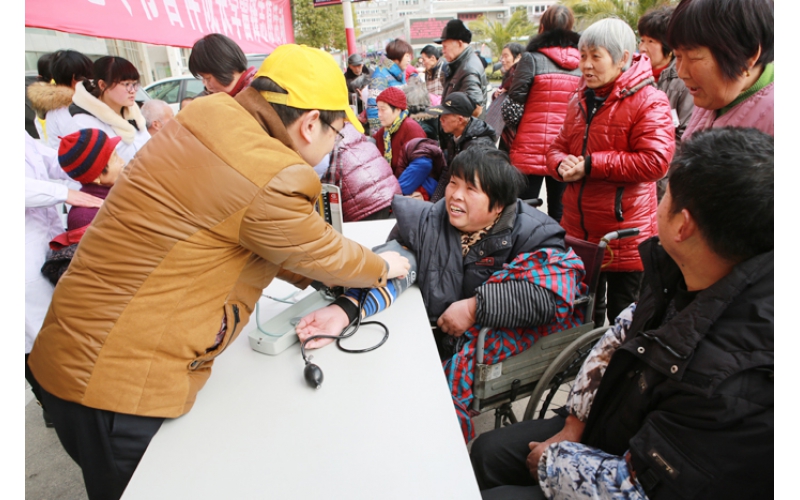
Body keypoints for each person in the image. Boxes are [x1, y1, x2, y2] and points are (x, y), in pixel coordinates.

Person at [27, 44, 410, 500]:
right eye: (337, 131)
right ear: (310, 123)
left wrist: (317, 278)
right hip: (116, 387)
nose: (335, 143)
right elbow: (321, 251)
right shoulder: (272, 172)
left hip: (76, 353)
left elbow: (254, 235)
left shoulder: (207, 115)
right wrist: (385, 266)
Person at [470, 126, 773, 500]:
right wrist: (575, 422)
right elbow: (619, 333)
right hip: (613, 419)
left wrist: (554, 461)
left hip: (646, 476)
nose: (657, 201)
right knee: (487, 452)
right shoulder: (682, 271)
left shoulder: (738, 379)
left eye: (665, 193)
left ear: (684, 225)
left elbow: (644, 486)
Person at [298, 146, 586, 443]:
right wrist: (344, 310)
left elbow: (549, 297)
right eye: (453, 183)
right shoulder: (427, 222)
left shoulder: (534, 235)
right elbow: (395, 266)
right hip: (436, 336)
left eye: (471, 189)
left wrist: (474, 308)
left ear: (498, 204)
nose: (455, 195)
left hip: (479, 345)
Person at [546, 18, 675, 327]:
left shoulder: (649, 100)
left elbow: (656, 162)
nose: (586, 65)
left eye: (596, 56)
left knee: (624, 318)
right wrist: (561, 164)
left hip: (624, 234)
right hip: (580, 232)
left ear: (622, 58)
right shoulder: (578, 98)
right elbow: (557, 147)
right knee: (583, 313)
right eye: (583, 56)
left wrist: (591, 165)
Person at [25, 131, 100, 427]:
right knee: (36, 339)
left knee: (58, 329)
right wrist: (64, 193)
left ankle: (69, 401)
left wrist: (87, 164)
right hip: (22, 259)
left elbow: (44, 158)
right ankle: (53, 406)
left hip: (43, 239)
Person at [506, 5, 581, 221]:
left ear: (542, 26)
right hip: (566, 147)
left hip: (529, 146)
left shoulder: (531, 58)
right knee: (561, 212)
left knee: (523, 211)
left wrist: (517, 129)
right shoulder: (582, 61)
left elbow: (513, 106)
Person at [668, 0, 773, 139]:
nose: (681, 73)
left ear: (748, 55)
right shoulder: (711, 93)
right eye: (678, 56)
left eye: (694, 57)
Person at [41, 129, 125, 285]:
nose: (122, 162)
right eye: (114, 158)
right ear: (96, 176)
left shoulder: (116, 191)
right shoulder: (84, 216)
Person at [637, 5, 694, 200]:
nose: (642, 47)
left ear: (668, 47)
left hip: (663, 180)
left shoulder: (683, 82)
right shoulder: (635, 77)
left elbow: (684, 135)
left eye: (651, 41)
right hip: (637, 175)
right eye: (642, 40)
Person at [70, 56, 151, 164]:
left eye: (135, 84)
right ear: (103, 85)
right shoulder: (84, 123)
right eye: (126, 84)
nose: (133, 90)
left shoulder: (134, 113)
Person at [321, 121, 401, 222]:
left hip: (365, 204)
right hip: (389, 192)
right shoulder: (350, 127)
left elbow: (327, 187)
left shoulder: (327, 138)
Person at [27, 50, 94, 150]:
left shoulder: (52, 106)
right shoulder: (69, 111)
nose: (93, 81)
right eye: (90, 76)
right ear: (75, 80)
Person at [434, 19, 489, 117]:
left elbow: (476, 108)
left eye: (445, 46)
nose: (443, 51)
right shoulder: (460, 64)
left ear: (459, 43)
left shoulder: (468, 69)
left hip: (465, 127)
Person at [429, 92, 496, 167]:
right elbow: (449, 169)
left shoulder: (478, 148)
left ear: (460, 120)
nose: (440, 119)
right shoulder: (453, 137)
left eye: (445, 117)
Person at [372, 86, 427, 176]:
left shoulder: (411, 129)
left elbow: (420, 169)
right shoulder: (384, 131)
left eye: (383, 109)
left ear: (398, 109)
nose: (379, 114)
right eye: (378, 109)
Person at [188, 33, 257, 97]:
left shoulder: (255, 95)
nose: (208, 87)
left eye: (207, 78)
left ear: (223, 68)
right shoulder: (237, 94)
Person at [493, 42, 524, 152]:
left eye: (506, 56)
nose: (503, 60)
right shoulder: (508, 76)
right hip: (506, 131)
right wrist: (497, 94)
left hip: (517, 134)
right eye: (502, 57)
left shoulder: (522, 77)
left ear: (518, 57)